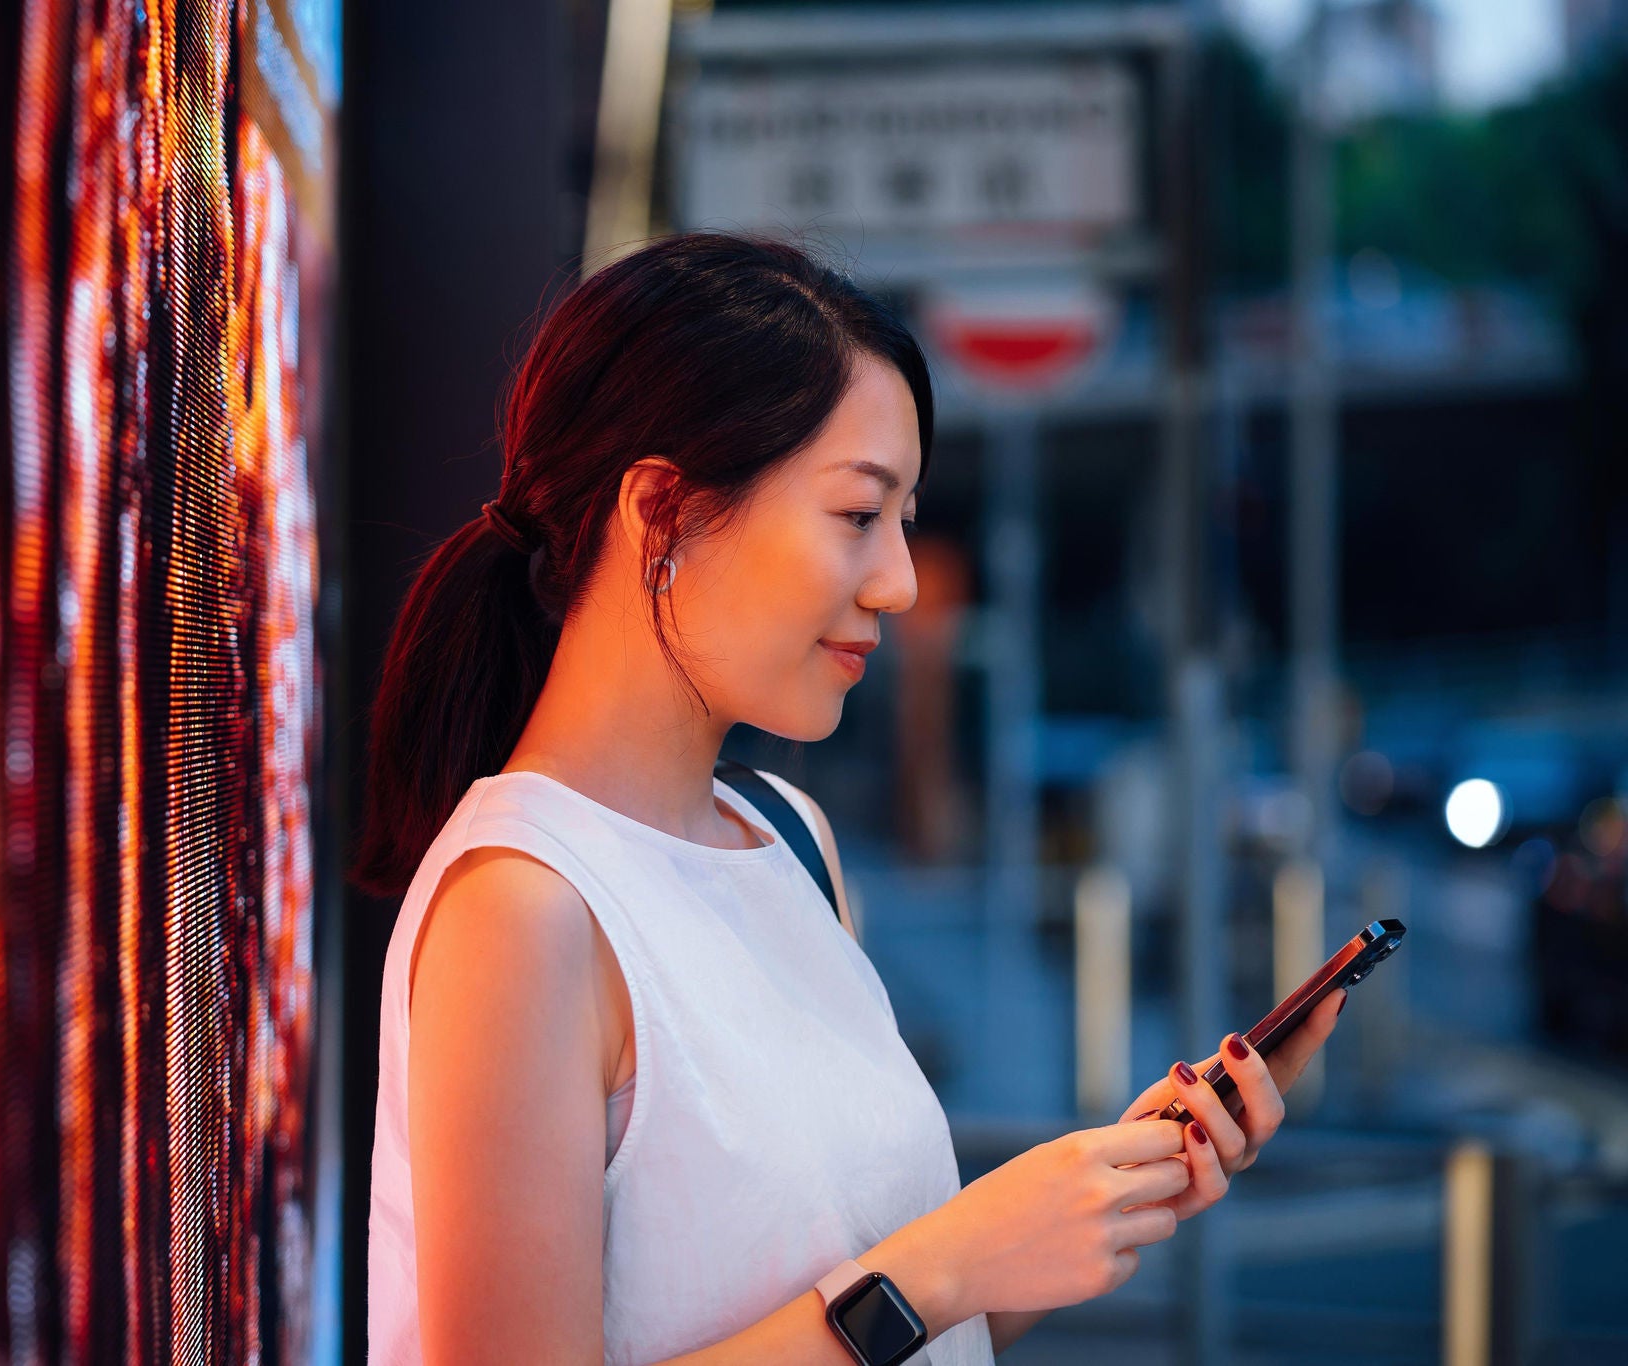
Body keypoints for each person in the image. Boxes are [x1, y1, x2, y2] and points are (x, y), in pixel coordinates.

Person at [349, 232, 1345, 1365]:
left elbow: (890, 1330)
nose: (901, 581)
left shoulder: (786, 834)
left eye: (904, 519)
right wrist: (945, 1261)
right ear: (662, 512)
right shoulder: (522, 910)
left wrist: (1102, 1194)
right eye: (857, 514)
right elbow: (896, 1301)